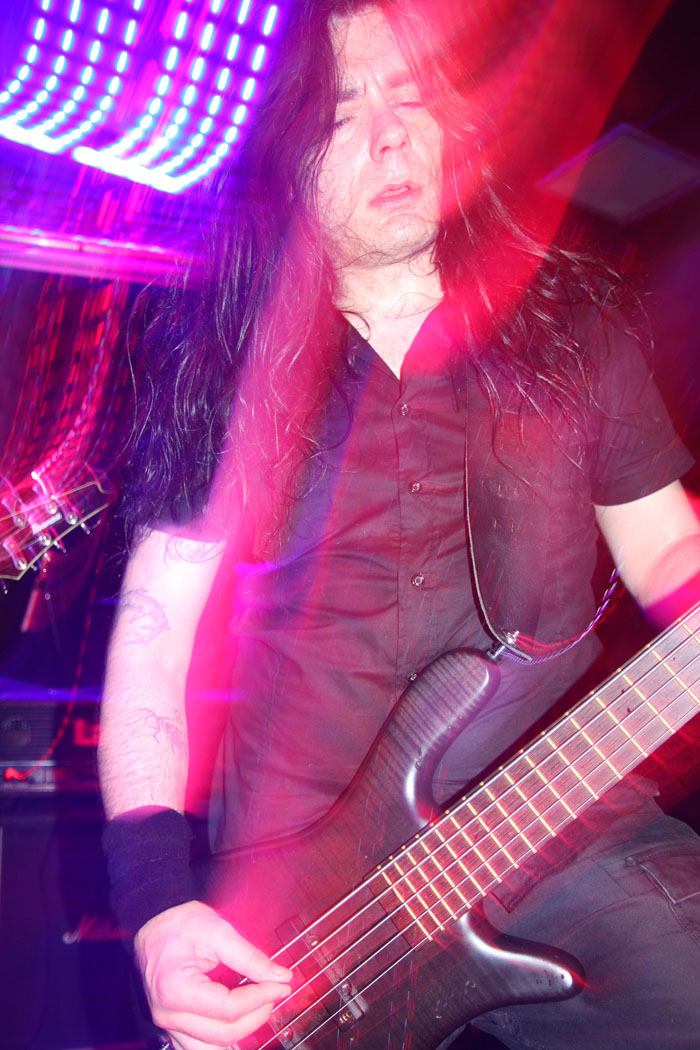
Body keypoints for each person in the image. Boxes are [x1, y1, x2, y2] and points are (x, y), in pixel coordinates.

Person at [99, 2, 700, 1048]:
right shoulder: (223, 366)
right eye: (341, 114)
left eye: (412, 98)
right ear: (282, 165)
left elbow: (664, 547)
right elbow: (152, 642)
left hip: (554, 824)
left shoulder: (576, 321)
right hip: (302, 890)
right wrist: (155, 907)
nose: (389, 135)